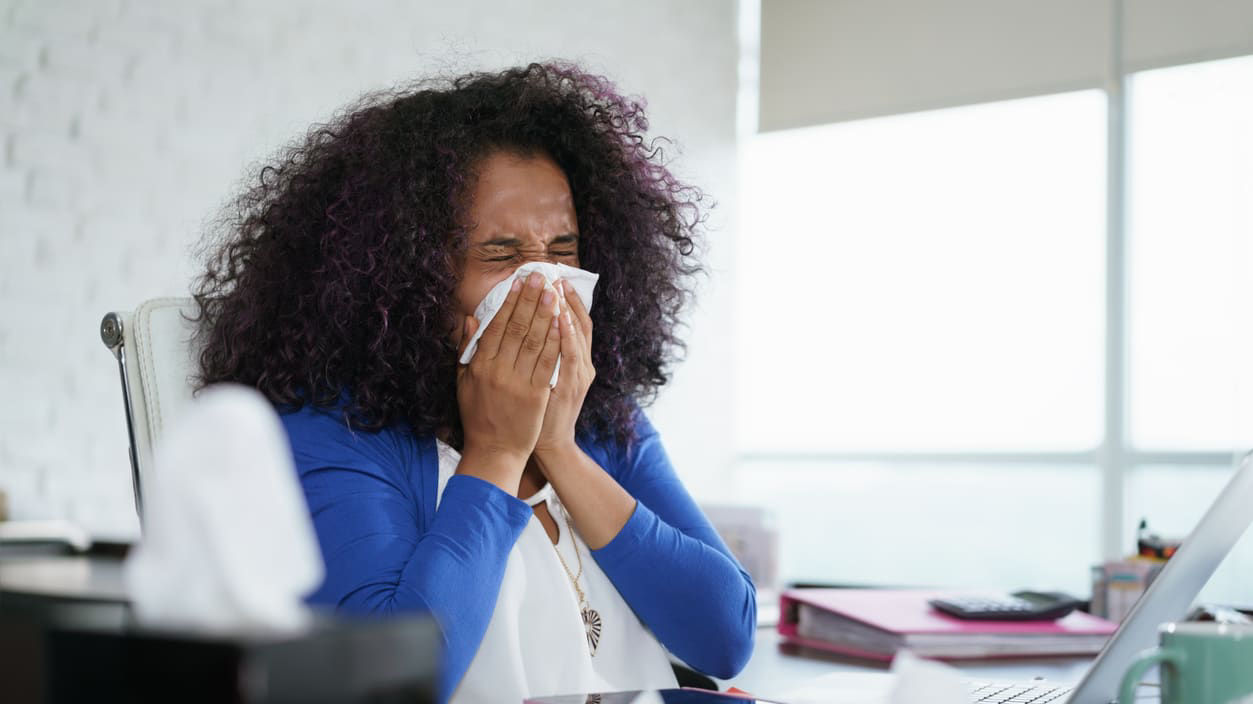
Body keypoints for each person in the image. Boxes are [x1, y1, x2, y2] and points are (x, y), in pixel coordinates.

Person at [191, 62, 755, 703]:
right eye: (502, 254)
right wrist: (496, 453)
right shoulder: (329, 430)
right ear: (405, 278)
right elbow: (387, 687)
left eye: (563, 250)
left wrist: (559, 449)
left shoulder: (601, 419)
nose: (543, 285)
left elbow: (725, 637)